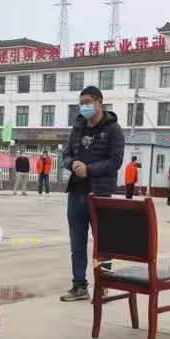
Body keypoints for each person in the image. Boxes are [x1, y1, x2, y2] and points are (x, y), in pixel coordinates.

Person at [60, 86, 125, 302]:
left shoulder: (113, 129)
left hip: (100, 193)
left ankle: (104, 283)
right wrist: (73, 164)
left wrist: (90, 169)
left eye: (88, 102)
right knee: (77, 242)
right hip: (77, 192)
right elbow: (66, 155)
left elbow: (115, 162)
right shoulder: (78, 126)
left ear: (99, 102)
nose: (84, 106)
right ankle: (79, 285)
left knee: (102, 241)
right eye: (81, 103)